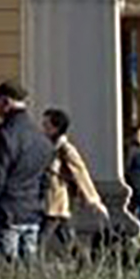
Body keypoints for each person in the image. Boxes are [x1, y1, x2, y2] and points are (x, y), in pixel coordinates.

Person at [0, 80, 52, 262]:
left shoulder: (5, 134)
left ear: (6, 103)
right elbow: (45, 180)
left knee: (6, 269)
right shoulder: (41, 138)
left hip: (7, 213)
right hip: (32, 213)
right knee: (29, 273)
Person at [40, 107, 106, 254]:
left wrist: (93, 200)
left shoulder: (66, 149)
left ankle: (33, 270)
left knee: (41, 240)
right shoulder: (49, 148)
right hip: (51, 202)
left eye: (46, 125)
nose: (43, 129)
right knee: (68, 239)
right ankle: (85, 264)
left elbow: (80, 173)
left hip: (56, 203)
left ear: (56, 128)